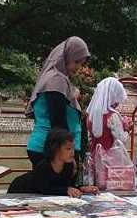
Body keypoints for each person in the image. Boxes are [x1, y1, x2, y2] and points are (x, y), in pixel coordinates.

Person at [26, 37, 90, 168]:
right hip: (52, 151)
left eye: (81, 64)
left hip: (49, 148)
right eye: (76, 62)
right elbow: (58, 121)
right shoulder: (56, 80)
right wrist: (69, 155)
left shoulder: (55, 78)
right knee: (57, 188)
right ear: (66, 56)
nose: (78, 67)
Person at [8, 129, 99, 197]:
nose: (72, 152)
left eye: (73, 148)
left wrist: (82, 188)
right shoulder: (43, 166)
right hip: (20, 191)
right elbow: (45, 189)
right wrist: (66, 190)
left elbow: (67, 186)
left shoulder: (70, 166)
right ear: (55, 149)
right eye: (68, 149)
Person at [87, 77, 129, 154]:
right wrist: (126, 128)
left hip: (95, 157)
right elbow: (122, 140)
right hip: (110, 161)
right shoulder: (112, 116)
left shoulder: (91, 114)